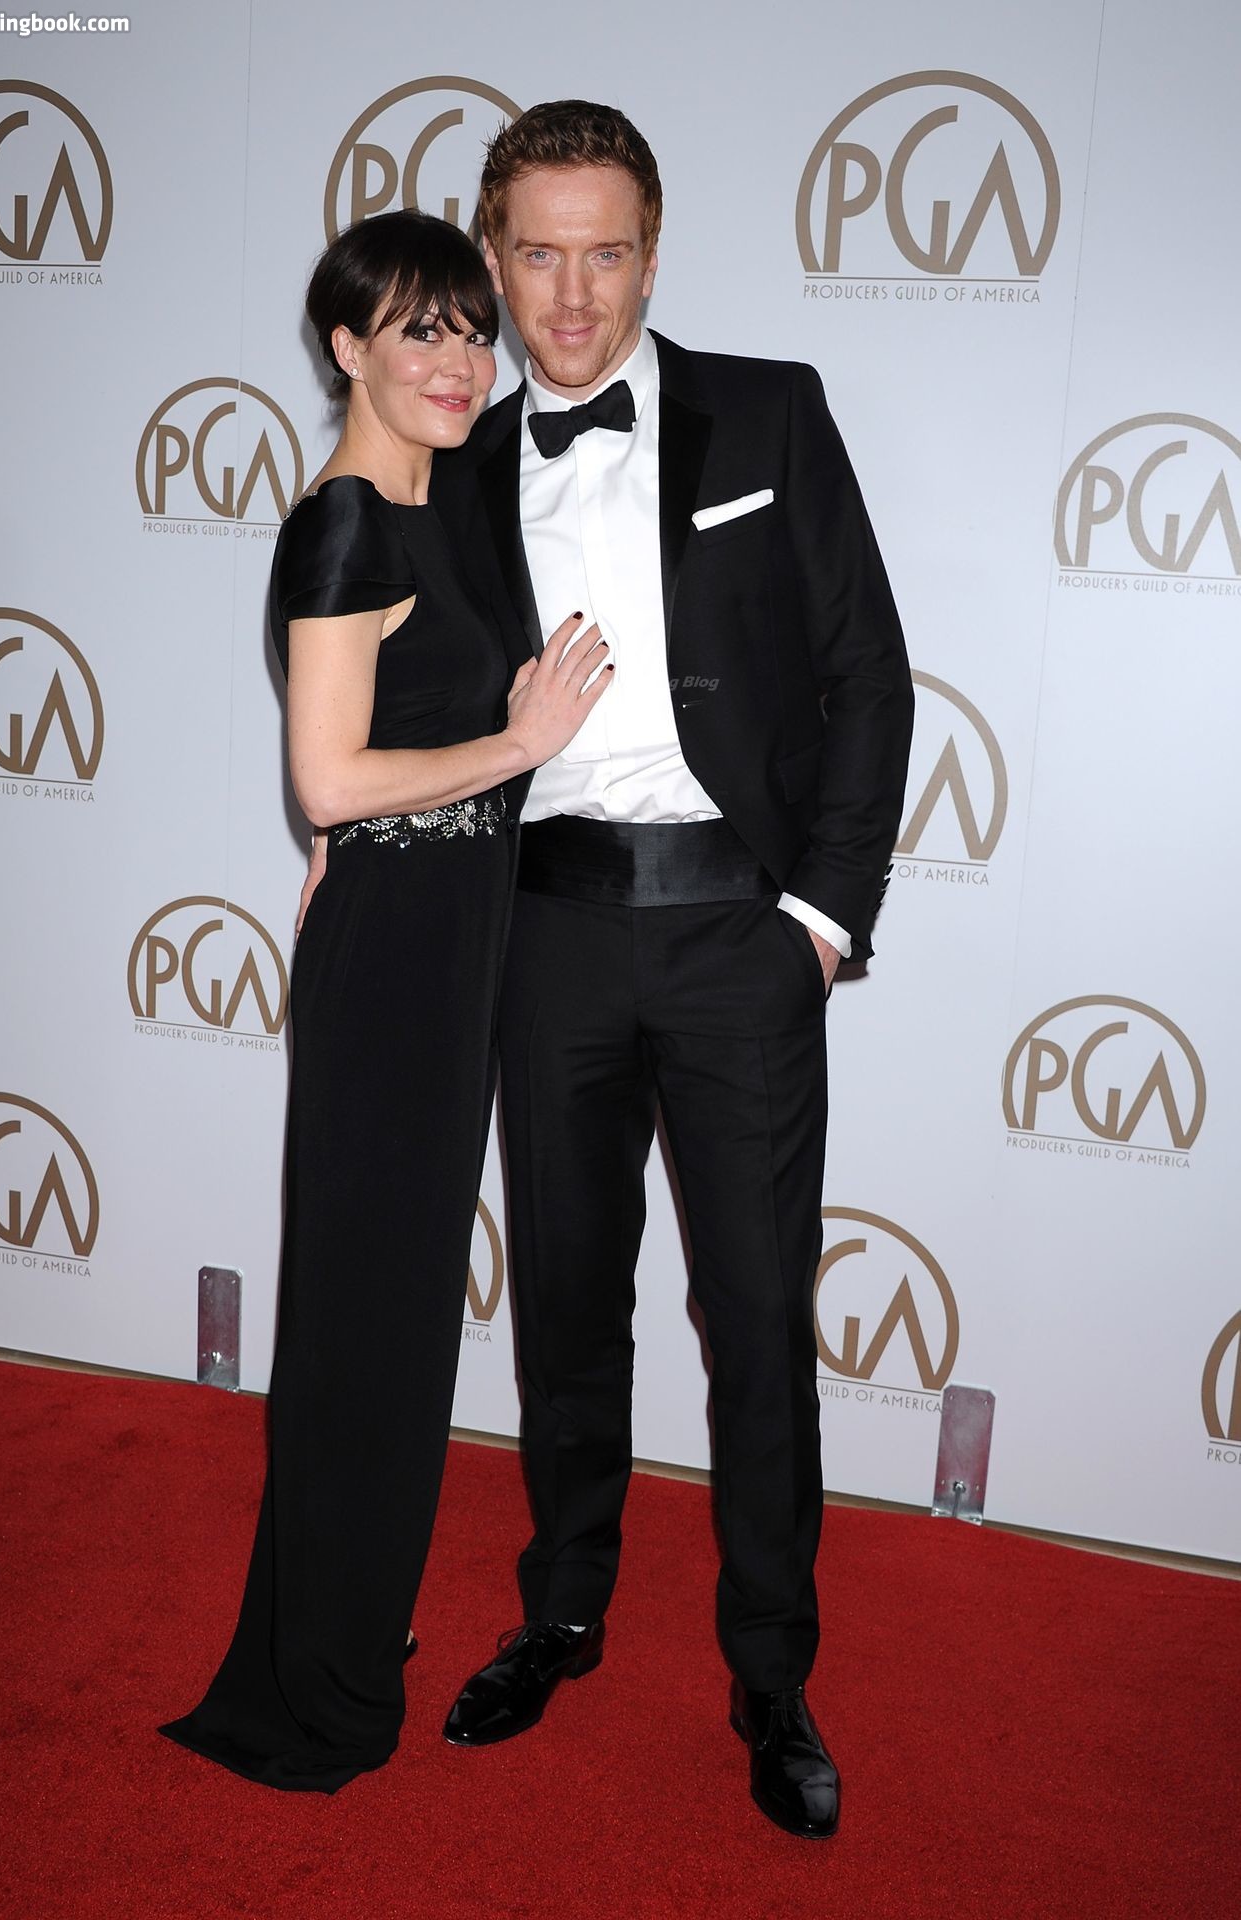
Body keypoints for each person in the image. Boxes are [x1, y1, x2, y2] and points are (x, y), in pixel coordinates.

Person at [433, 103, 914, 1841]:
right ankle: (561, 1609)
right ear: (494, 262)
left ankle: (771, 1671)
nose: (571, 296)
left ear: (651, 254)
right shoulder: (452, 464)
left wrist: (818, 922)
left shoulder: (768, 411)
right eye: (537, 254)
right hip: (547, 937)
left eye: (605, 253)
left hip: (736, 939)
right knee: (567, 1303)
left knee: (757, 1320)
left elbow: (867, 674)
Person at [159, 208, 610, 1792]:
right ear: (347, 348)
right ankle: (321, 1675)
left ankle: (341, 1618)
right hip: (399, 953)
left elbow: (369, 761)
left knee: (400, 1316)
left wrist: (409, 811)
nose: (459, 360)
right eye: (421, 330)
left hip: (451, 924)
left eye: (472, 331)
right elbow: (331, 778)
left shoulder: (441, 505)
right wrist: (515, 744)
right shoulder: (344, 521)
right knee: (368, 1316)